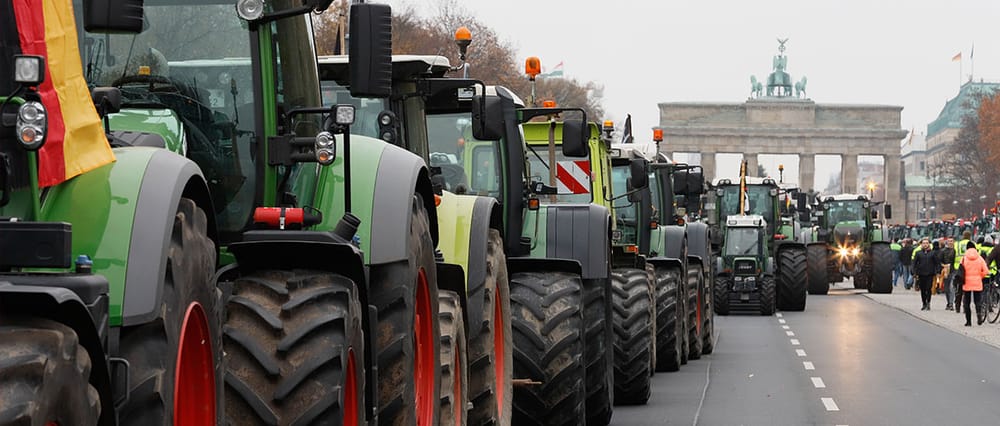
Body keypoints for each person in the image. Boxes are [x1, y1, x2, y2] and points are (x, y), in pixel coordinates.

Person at [960, 240, 989, 326]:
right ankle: (979, 318)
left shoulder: (964, 258)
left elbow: (961, 271)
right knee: (978, 301)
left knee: (967, 302)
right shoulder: (980, 258)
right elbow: (986, 271)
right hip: (977, 282)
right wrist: (980, 276)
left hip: (966, 283)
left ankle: (968, 321)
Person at [912, 238, 939, 311]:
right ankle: (924, 303)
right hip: (921, 273)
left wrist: (937, 272)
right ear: (921, 244)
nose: (925, 244)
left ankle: (928, 303)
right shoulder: (918, 253)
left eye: (926, 243)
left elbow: (937, 263)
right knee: (923, 290)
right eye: (923, 243)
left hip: (930, 273)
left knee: (928, 288)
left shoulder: (933, 253)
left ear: (929, 244)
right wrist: (914, 272)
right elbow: (914, 263)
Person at [954, 231, 973, 313]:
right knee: (967, 289)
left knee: (959, 288)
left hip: (958, 267)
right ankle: (966, 307)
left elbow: (953, 254)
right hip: (968, 268)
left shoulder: (957, 244)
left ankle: (957, 306)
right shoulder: (972, 244)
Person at [939, 237, 957, 310]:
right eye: (949, 241)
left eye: (952, 241)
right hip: (946, 271)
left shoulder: (956, 251)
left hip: (954, 270)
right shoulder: (943, 251)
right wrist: (943, 266)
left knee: (951, 287)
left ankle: (951, 304)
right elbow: (939, 261)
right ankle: (948, 302)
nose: (950, 242)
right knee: (946, 289)